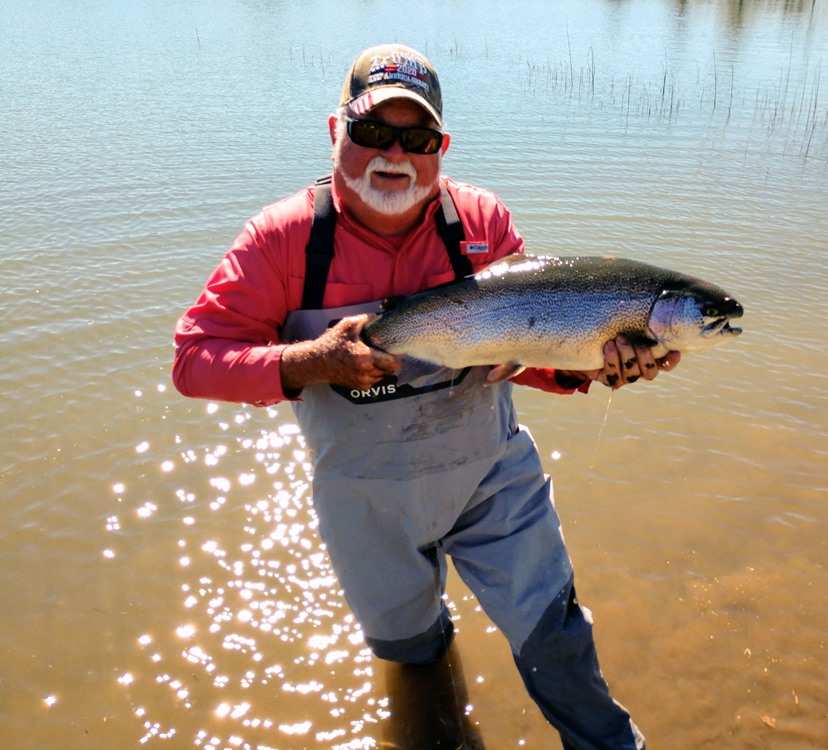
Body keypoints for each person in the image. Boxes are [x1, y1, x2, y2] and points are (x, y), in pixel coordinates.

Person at [173, 43, 680, 750]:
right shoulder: (282, 241)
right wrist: (308, 361)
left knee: (557, 642)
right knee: (414, 658)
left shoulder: (481, 225)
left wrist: (592, 368)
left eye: (418, 139)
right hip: (366, 501)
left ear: (442, 148)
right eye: (374, 132)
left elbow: (527, 352)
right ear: (335, 133)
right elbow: (194, 360)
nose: (395, 154)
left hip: (490, 478)